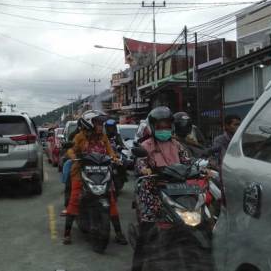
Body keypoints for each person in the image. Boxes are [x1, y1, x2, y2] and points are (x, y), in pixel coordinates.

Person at [132, 107, 192, 271]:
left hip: (177, 190)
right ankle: (136, 266)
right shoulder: (146, 145)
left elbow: (188, 163)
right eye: (159, 126)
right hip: (152, 192)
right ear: (152, 127)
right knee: (147, 231)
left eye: (166, 126)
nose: (163, 129)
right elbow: (141, 163)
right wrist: (145, 169)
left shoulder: (177, 145)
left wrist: (200, 169)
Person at [63, 110, 128, 246]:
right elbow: (71, 149)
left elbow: (110, 151)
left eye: (101, 123)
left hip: (103, 173)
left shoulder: (103, 137)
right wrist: (74, 157)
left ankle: (118, 233)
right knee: (75, 199)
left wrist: (116, 159)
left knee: (111, 200)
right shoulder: (80, 137)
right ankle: (67, 233)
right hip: (81, 172)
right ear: (89, 124)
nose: (101, 126)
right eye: (98, 123)